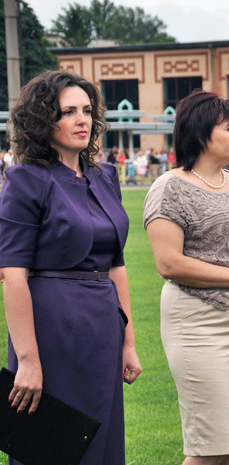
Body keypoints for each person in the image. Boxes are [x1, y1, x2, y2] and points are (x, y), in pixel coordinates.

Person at [0, 70, 141, 464]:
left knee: (102, 441)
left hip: (103, 326)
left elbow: (117, 265)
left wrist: (128, 342)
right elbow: (12, 275)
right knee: (52, 446)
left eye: (87, 111)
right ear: (43, 119)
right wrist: (28, 360)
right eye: (68, 112)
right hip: (52, 329)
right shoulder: (25, 180)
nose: (82, 120)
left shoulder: (105, 176)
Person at [144, 90, 229, 465]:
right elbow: (169, 264)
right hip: (200, 328)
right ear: (200, 133)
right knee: (209, 449)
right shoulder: (169, 187)